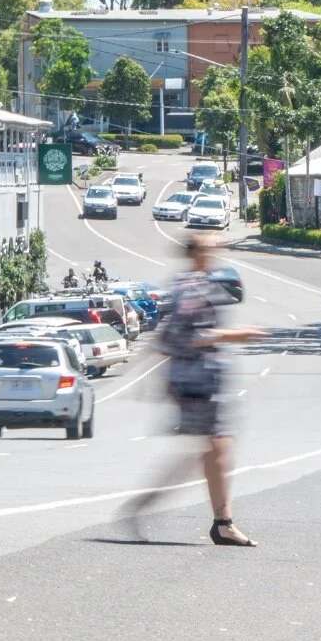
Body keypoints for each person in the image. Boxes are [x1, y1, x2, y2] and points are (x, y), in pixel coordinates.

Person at [119, 234, 267, 546]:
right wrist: (236, 335)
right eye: (210, 248)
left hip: (198, 380)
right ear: (196, 252)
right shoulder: (192, 286)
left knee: (213, 451)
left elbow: (169, 337)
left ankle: (217, 521)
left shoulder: (192, 282)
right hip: (197, 382)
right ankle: (217, 522)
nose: (216, 253)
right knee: (215, 449)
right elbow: (195, 336)